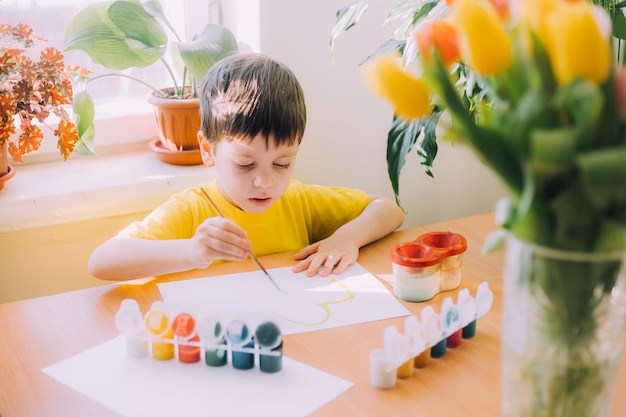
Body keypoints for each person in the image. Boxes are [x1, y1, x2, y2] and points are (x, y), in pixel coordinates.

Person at [88, 53, 405, 281]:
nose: (265, 182)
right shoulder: (193, 210)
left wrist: (347, 237)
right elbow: (102, 262)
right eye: (245, 164)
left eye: (282, 163)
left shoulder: (298, 201)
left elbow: (389, 210)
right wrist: (190, 252)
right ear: (208, 150)